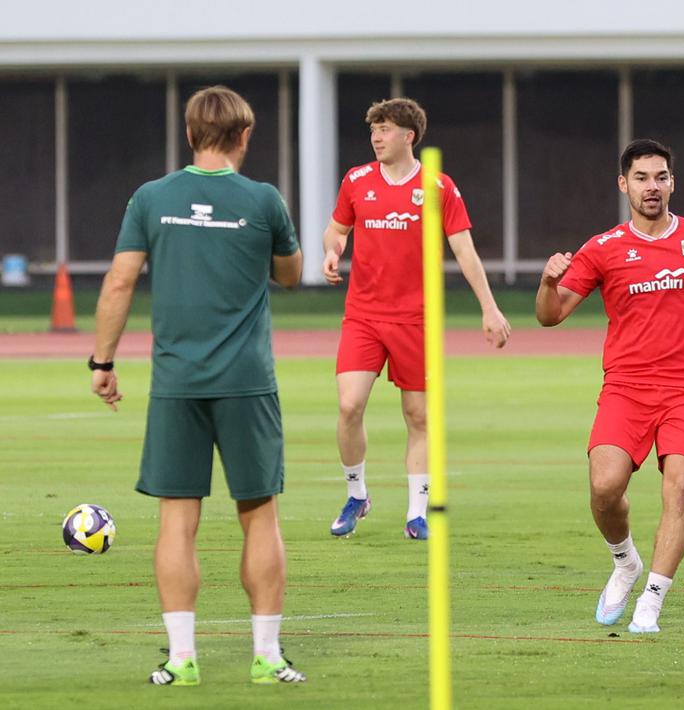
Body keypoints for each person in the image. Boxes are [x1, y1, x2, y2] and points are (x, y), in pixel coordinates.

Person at [90, 86, 306, 685]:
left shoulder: (151, 198)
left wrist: (101, 363)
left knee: (176, 521)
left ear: (189, 135)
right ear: (244, 137)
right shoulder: (264, 199)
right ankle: (267, 657)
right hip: (247, 384)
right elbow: (290, 275)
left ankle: (182, 659)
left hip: (177, 384)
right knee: (260, 517)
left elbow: (118, 282)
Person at [536, 139, 684, 634]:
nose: (651, 187)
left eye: (660, 177)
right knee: (604, 487)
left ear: (672, 182)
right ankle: (626, 562)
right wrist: (548, 283)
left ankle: (651, 600)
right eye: (641, 178)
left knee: (681, 486)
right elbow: (551, 317)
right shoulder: (603, 248)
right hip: (627, 386)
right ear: (623, 184)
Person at [323, 98, 511, 540]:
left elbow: (464, 251)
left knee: (418, 416)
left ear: (409, 136)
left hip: (416, 320)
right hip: (364, 315)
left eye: (385, 129)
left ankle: (416, 514)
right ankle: (357, 495)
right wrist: (332, 250)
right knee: (349, 405)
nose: (376, 137)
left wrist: (489, 307)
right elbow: (337, 229)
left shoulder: (438, 187)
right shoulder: (356, 180)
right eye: (373, 129)